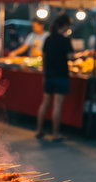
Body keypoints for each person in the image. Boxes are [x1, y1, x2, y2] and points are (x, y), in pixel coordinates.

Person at [35, 14, 74, 142]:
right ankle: (55, 133)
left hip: (49, 76)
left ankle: (39, 130)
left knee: (45, 103)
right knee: (57, 105)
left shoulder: (48, 39)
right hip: (61, 76)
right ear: (64, 26)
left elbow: (44, 57)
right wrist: (82, 55)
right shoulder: (65, 40)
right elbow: (70, 57)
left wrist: (45, 74)